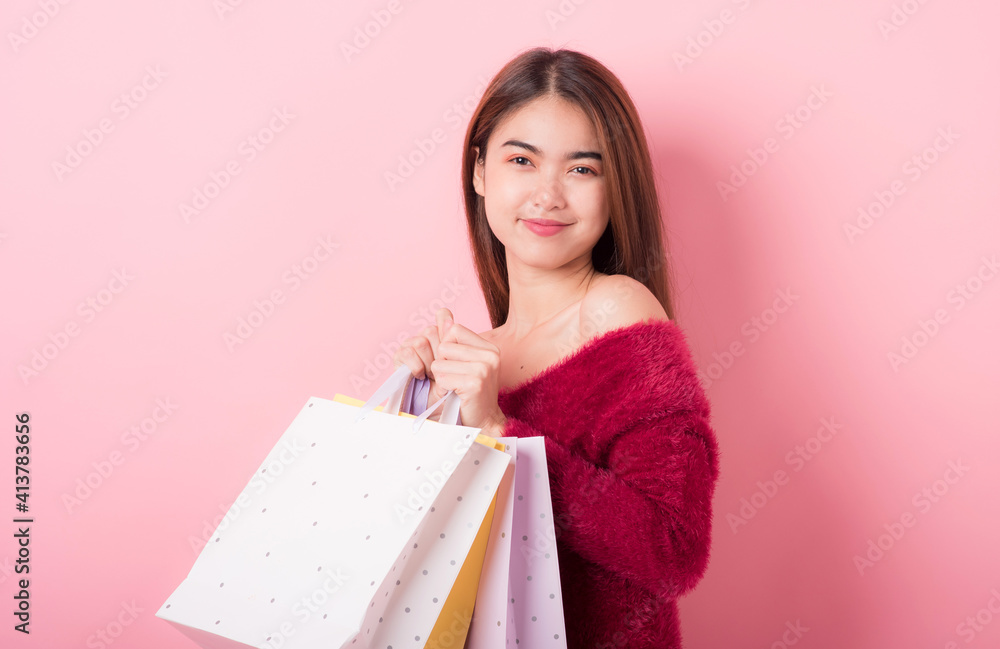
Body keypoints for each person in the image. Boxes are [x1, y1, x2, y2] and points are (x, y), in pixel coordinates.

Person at [392, 47, 720, 649]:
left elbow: (674, 548)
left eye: (581, 169)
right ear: (480, 172)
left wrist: (497, 428)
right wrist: (421, 410)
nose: (548, 195)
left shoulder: (615, 311)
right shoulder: (478, 354)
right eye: (522, 160)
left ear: (614, 185)